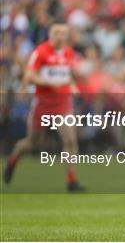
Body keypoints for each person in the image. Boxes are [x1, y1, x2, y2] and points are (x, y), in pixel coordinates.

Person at [3, 22, 85, 192]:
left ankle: (72, 180)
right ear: (50, 34)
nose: (60, 36)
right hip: (43, 104)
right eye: (57, 32)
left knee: (70, 140)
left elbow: (66, 75)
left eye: (64, 33)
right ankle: (12, 161)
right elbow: (29, 76)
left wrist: (73, 86)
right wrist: (48, 83)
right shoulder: (40, 52)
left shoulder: (68, 53)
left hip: (62, 104)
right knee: (32, 143)